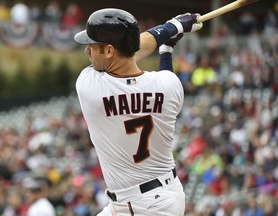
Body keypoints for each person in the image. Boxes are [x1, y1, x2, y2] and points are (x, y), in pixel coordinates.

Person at [74, 8, 203, 215]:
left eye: (92, 45)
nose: (87, 50)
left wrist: (169, 29)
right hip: (160, 195)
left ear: (108, 51)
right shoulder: (169, 85)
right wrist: (166, 48)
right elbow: (142, 61)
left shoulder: (89, 86)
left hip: (148, 206)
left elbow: (139, 48)